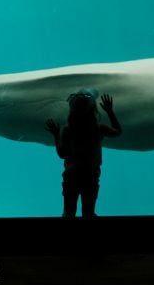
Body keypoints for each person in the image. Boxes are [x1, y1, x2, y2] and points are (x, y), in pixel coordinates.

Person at [45, 89, 122, 218]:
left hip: (71, 175)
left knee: (68, 212)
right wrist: (110, 112)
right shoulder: (98, 128)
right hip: (91, 175)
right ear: (93, 110)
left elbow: (62, 154)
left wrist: (56, 135)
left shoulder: (68, 130)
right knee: (89, 212)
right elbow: (118, 132)